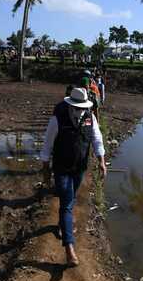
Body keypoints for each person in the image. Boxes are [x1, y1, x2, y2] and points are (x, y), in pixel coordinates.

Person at [40, 87, 107, 266]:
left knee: (71, 198)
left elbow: (97, 139)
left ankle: (63, 225)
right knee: (67, 203)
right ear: (70, 106)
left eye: (83, 108)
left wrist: (101, 161)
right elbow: (47, 144)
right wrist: (45, 168)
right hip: (61, 167)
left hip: (79, 168)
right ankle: (69, 249)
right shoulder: (58, 119)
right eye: (77, 108)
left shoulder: (90, 118)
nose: (80, 111)